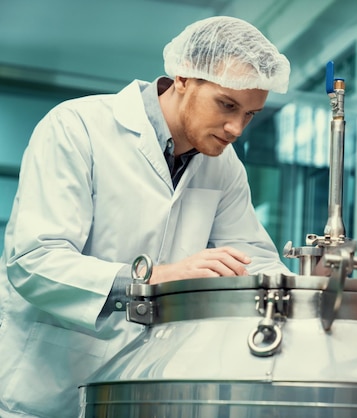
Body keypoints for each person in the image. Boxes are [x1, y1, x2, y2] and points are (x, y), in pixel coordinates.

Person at [0, 16, 292, 418]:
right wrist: (154, 278)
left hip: (145, 389)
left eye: (250, 115)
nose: (236, 128)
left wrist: (307, 295)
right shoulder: (77, 127)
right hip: (45, 392)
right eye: (227, 105)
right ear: (184, 78)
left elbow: (253, 261)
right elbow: (34, 262)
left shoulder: (224, 168)